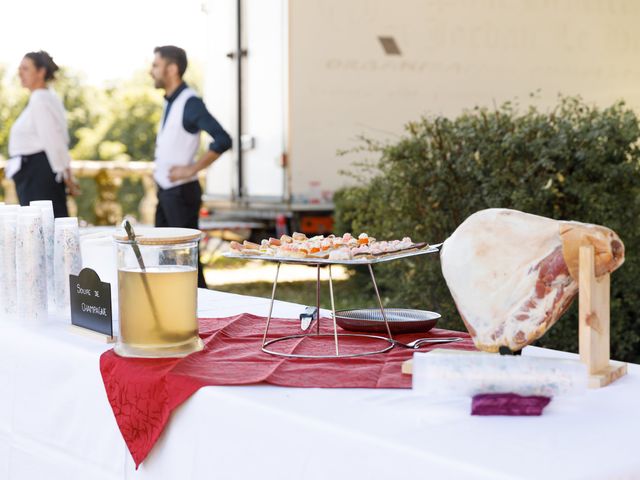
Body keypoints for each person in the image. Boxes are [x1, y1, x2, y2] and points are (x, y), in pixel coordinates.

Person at [150, 45, 232, 289]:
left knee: (187, 264)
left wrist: (191, 169)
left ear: (172, 69)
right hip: (167, 193)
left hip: (181, 194)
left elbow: (223, 139)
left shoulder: (190, 102)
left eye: (155, 65)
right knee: (165, 261)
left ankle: (206, 316)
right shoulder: (171, 101)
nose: (151, 71)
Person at [8, 51, 80, 217]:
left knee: (42, 229)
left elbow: (53, 140)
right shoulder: (46, 97)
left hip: (39, 174)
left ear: (41, 72)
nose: (20, 73)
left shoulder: (40, 99)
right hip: (38, 173)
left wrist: (66, 174)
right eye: (20, 68)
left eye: (25, 68)